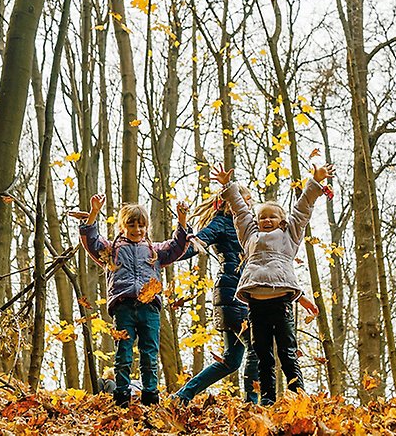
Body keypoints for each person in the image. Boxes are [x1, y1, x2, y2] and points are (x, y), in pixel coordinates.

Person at [213, 163, 332, 406]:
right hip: (256, 305)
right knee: (262, 354)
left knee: (287, 353)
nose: (267, 220)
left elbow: (302, 210)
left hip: (282, 303)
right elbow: (240, 212)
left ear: (282, 221)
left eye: (272, 216)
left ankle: (298, 397)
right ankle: (267, 398)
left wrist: (315, 182)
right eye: (262, 217)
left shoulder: (290, 235)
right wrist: (228, 186)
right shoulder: (249, 237)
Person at [75, 194, 189, 407]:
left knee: (149, 353)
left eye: (141, 225)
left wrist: (181, 219)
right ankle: (121, 396)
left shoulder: (154, 251)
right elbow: (91, 241)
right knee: (123, 354)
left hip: (150, 308)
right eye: (132, 225)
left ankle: (150, 397)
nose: (137, 229)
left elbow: (176, 246)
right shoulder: (112, 250)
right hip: (123, 306)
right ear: (122, 226)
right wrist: (94, 212)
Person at [174, 185, 260, 404]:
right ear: (228, 202)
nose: (248, 204)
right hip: (234, 293)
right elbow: (195, 244)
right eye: (244, 199)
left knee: (231, 361)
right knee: (256, 347)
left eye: (250, 200)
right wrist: (174, 248)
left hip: (240, 293)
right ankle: (253, 405)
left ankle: (183, 394)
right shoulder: (222, 223)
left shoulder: (250, 227)